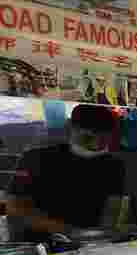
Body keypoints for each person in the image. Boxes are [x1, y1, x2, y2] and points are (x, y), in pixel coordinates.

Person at [6, 104, 126, 245]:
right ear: (70, 128)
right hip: (37, 244)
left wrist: (103, 238)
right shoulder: (35, 158)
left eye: (103, 140)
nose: (96, 145)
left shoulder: (114, 166)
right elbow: (16, 209)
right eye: (88, 138)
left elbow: (112, 209)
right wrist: (70, 232)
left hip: (88, 244)